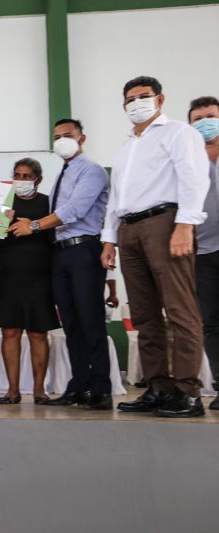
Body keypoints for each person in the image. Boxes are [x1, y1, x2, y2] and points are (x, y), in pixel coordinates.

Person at [101, 76, 209, 418]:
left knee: (180, 310)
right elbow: (116, 196)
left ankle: (188, 391)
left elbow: (194, 177)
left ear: (160, 100)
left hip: (165, 222)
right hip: (129, 229)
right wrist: (109, 239)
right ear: (123, 106)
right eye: (130, 99)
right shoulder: (126, 146)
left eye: (144, 96)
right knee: (144, 315)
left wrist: (185, 225)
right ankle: (158, 387)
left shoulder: (179, 132)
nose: (137, 103)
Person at [10, 118, 112, 410]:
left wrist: (34, 226)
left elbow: (74, 210)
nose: (62, 140)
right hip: (62, 253)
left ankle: (101, 389)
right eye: (57, 136)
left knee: (91, 321)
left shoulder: (91, 171)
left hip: (83, 250)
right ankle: (79, 386)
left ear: (82, 138)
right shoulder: (63, 174)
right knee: (72, 324)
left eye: (68, 135)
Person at [0, 158, 59, 404]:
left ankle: (40, 390)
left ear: (38, 180)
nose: (21, 180)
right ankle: (12, 390)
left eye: (27, 176)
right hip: (7, 276)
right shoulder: (1, 201)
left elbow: (57, 238)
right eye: (17, 175)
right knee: (10, 332)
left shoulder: (50, 203)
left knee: (38, 333)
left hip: (40, 277)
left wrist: (34, 226)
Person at [187, 95, 219, 410]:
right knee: (209, 322)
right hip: (202, 250)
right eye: (198, 118)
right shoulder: (188, 157)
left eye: (210, 116)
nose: (205, 123)